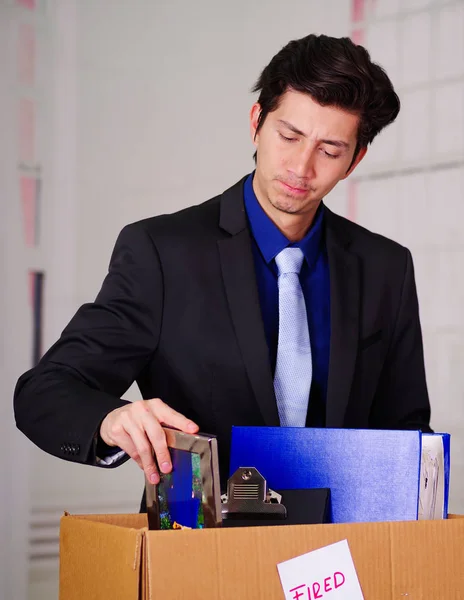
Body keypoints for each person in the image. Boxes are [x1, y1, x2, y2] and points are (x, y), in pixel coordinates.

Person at [14, 34, 432, 509]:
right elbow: (43, 392)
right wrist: (112, 419)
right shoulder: (161, 253)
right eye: (289, 136)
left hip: (338, 558)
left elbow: (406, 436)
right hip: (199, 555)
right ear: (257, 123)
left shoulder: (386, 268)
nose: (300, 166)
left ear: (354, 160)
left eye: (330, 150)